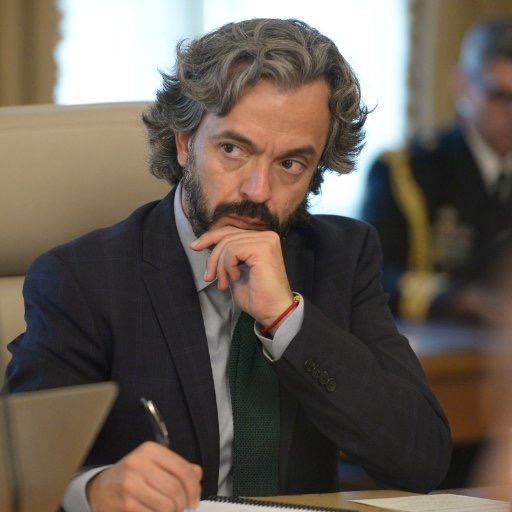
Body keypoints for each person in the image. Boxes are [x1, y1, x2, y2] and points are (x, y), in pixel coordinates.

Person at [5, 18, 451, 512]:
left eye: (290, 164)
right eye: (233, 150)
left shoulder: (341, 257)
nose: (257, 191)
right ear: (184, 142)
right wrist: (93, 490)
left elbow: (423, 459)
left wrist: (287, 319)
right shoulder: (83, 279)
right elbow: (23, 473)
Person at [361, 16, 512, 324]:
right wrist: (459, 299)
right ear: (463, 87)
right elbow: (371, 276)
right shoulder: (406, 170)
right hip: (429, 343)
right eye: (500, 96)